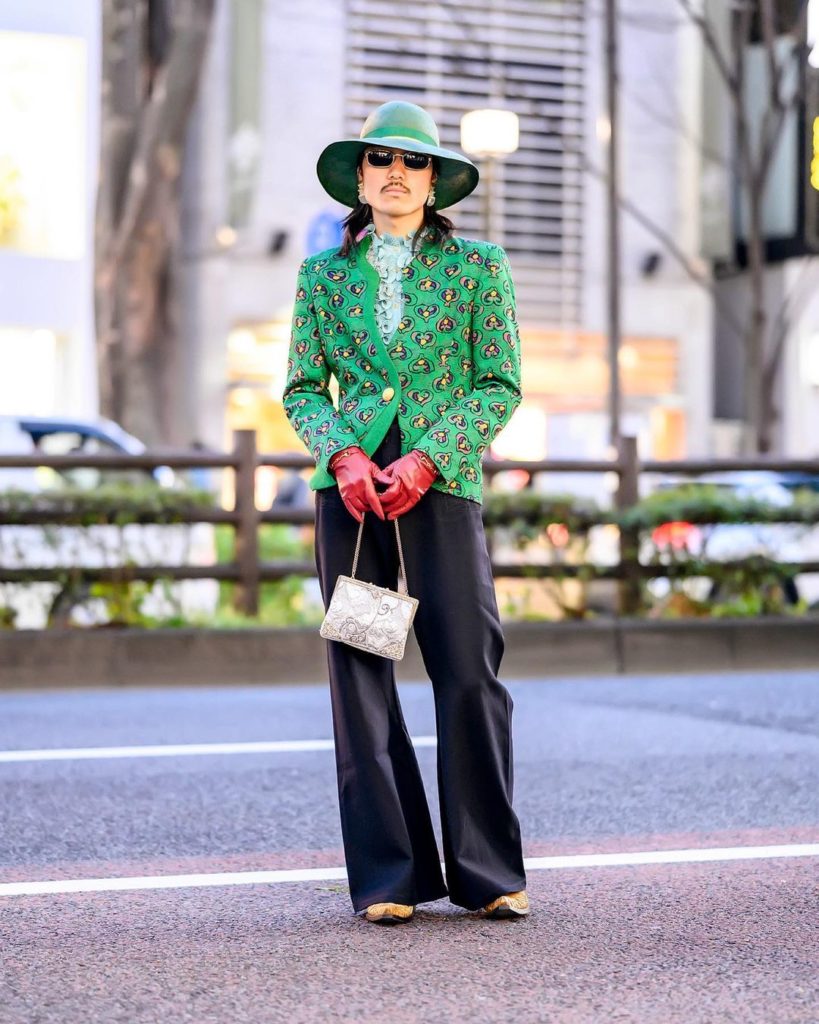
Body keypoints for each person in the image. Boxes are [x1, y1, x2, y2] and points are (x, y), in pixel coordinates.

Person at [283, 101, 528, 925]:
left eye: (413, 162)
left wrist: (427, 457)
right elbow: (300, 389)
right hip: (350, 500)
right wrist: (344, 454)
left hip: (441, 489)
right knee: (360, 677)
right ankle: (389, 877)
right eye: (380, 159)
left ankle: (487, 872)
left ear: (434, 181)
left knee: (467, 669)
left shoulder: (477, 267)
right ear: (359, 177)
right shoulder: (322, 275)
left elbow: (497, 384)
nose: (395, 172)